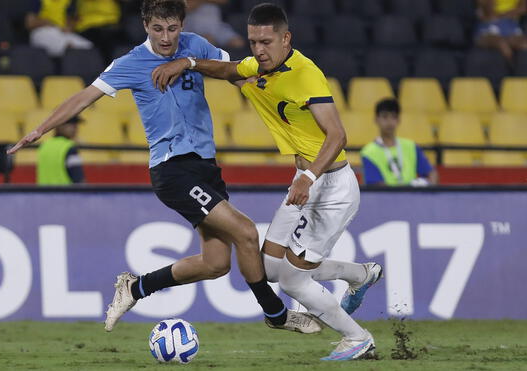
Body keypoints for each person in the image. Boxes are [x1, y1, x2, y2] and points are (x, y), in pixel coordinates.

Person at [8, 0, 320, 336]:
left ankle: (135, 288)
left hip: (205, 167)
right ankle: (276, 314)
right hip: (172, 168)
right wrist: (40, 129)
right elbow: (84, 97)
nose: (166, 37)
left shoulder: (195, 46)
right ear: (145, 26)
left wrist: (269, 100)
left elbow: (235, 73)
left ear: (182, 24)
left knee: (215, 263)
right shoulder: (131, 63)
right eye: (158, 29)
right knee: (246, 232)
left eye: (172, 28)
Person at [152, 3, 382, 361]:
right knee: (272, 268)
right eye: (253, 41)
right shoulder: (260, 66)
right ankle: (360, 274)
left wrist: (307, 177)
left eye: (266, 41)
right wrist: (189, 63)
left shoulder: (305, 75)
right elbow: (230, 70)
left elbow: (337, 136)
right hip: (306, 183)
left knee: (292, 281)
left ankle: (357, 338)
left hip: (330, 186)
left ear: (286, 38)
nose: (259, 50)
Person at [361, 98, 438, 187]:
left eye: (393, 117)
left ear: (398, 120)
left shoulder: (411, 146)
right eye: (385, 117)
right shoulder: (368, 152)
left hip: (414, 199)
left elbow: (432, 173)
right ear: (376, 120)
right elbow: (376, 186)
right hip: (385, 200)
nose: (389, 122)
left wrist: (428, 187)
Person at [26, 0, 94, 57]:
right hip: (41, 31)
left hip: (61, 32)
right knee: (69, 49)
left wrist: (69, 27)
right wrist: (47, 23)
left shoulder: (68, 1)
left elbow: (70, 21)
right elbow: (29, 23)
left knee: (88, 47)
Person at [36, 115, 85, 185]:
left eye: (75, 124)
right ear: (59, 125)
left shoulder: (44, 146)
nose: (75, 128)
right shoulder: (69, 147)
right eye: (70, 124)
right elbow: (78, 179)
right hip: (66, 195)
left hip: (44, 195)